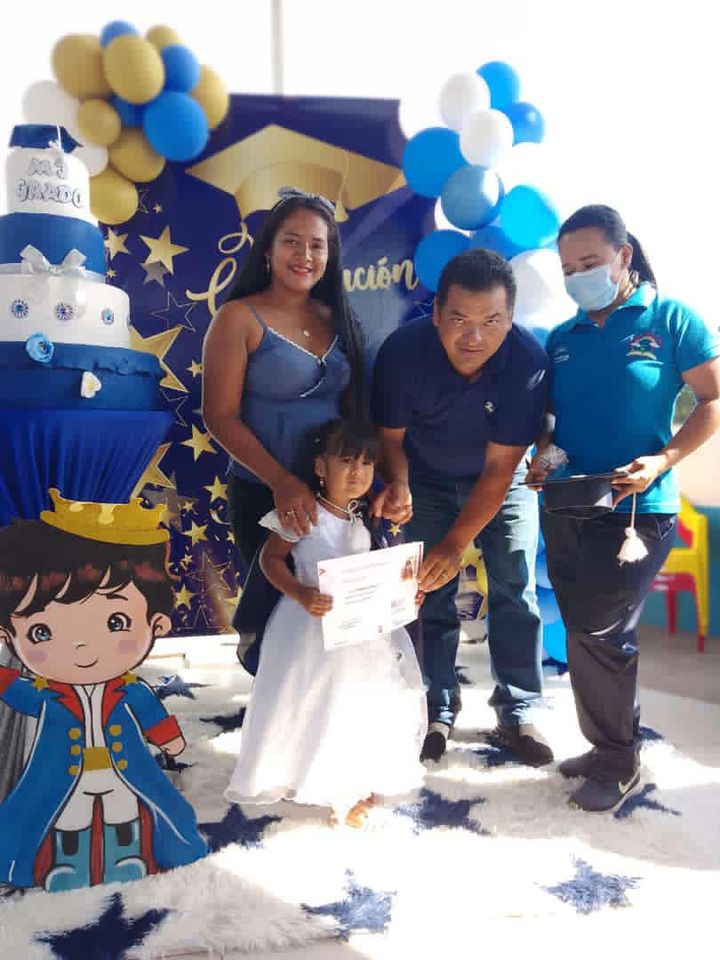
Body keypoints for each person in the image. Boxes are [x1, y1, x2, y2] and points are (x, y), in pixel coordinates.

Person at [526, 204, 720, 813]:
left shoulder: (671, 320)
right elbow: (552, 424)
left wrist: (662, 460)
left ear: (623, 255)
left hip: (640, 510)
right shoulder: (562, 338)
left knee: (600, 630)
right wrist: (544, 457)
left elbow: (712, 400)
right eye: (567, 269)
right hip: (567, 504)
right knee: (585, 633)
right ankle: (608, 743)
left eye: (589, 262)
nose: (577, 276)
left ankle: (619, 759)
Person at [372, 248, 551, 765]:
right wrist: (399, 482)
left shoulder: (527, 361)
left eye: (491, 321)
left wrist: (456, 543)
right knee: (428, 590)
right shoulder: (402, 352)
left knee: (515, 587)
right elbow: (390, 438)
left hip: (503, 480)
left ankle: (518, 711)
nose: (474, 337)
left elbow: (500, 469)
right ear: (436, 313)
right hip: (425, 477)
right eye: (459, 319)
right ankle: (436, 706)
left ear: (510, 318)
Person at [0, 489, 208, 892]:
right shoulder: (46, 695)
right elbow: (15, 690)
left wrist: (168, 739)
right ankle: (69, 863)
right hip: (61, 773)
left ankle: (126, 856)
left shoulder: (130, 689)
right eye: (41, 631)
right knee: (69, 815)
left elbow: (150, 713)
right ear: (9, 635)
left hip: (124, 768)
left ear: (157, 623)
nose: (81, 647)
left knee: (124, 809)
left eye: (116, 623)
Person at [225, 420, 427, 827]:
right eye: (346, 461)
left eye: (367, 464)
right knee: (313, 700)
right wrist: (300, 592)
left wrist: (403, 595)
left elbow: (373, 574)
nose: (357, 473)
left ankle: (358, 780)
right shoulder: (303, 513)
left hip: (360, 633)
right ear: (321, 467)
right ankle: (320, 782)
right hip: (308, 627)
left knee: (360, 700)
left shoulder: (364, 517)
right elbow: (270, 560)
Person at [202, 187, 365, 577]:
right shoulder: (238, 317)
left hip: (334, 496)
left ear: (329, 255)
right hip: (265, 493)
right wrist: (282, 482)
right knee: (273, 606)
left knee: (331, 606)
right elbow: (219, 416)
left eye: (317, 245)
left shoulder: (339, 318)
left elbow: (353, 410)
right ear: (268, 250)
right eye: (291, 241)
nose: (304, 255)